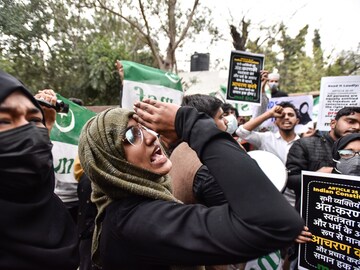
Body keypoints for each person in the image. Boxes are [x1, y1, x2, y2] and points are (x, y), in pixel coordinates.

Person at [77, 101, 304, 270]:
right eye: (131, 135)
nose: (151, 137)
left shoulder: (132, 210)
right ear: (110, 161)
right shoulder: (138, 222)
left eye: (144, 127)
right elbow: (274, 225)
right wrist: (190, 122)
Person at [0, 70, 79, 269]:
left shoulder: (56, 215)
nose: (30, 133)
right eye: (4, 121)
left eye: (35, 120)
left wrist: (48, 123)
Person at [286, 106, 360, 211]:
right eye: (351, 121)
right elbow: (290, 180)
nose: (357, 127)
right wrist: (316, 177)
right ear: (333, 123)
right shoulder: (305, 144)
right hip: (312, 214)